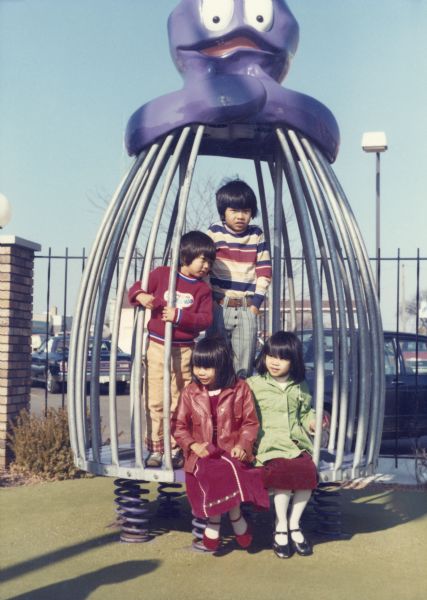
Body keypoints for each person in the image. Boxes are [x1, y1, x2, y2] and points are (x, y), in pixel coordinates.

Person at [128, 231, 216, 469]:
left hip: (184, 350)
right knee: (155, 397)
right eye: (202, 260)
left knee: (179, 399)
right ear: (185, 255)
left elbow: (205, 320)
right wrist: (142, 296)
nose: (206, 266)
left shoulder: (202, 290)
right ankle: (156, 447)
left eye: (210, 262)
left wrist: (179, 316)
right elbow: (135, 289)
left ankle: (175, 447)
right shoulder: (162, 275)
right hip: (157, 346)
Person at [172, 337, 270, 551]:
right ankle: (235, 519)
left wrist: (244, 446)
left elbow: (250, 423)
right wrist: (191, 445)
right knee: (210, 471)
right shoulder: (191, 392)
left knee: (231, 468)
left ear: (222, 366)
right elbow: (178, 426)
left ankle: (216, 522)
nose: (201, 372)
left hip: (231, 449)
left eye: (207, 367)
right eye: (197, 366)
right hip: (202, 451)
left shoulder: (240, 388)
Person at [247, 331, 327, 559]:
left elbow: (305, 412)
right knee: (283, 474)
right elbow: (247, 417)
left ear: (294, 361)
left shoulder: (299, 386)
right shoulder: (254, 384)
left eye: (282, 358)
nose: (274, 362)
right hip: (269, 444)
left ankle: (294, 523)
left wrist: (312, 422)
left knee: (307, 472)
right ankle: (280, 524)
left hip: (295, 443)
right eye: (270, 355)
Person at [207, 179, 272, 379]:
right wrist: (209, 300)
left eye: (245, 211)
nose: (240, 216)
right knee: (216, 361)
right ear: (223, 212)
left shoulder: (256, 235)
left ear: (252, 212)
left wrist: (255, 305)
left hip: (246, 307)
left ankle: (239, 406)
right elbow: (205, 268)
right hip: (219, 305)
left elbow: (264, 271)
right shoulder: (214, 232)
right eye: (233, 210)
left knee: (243, 367)